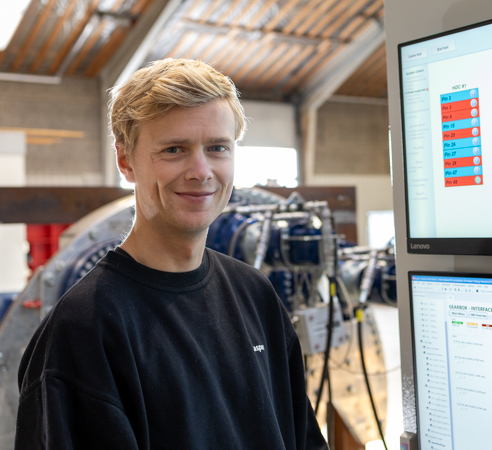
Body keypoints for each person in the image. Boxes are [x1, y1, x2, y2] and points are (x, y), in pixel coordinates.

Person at [15, 58, 328, 450]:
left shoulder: (256, 296)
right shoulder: (83, 331)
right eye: (174, 149)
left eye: (217, 148)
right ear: (125, 160)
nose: (201, 171)